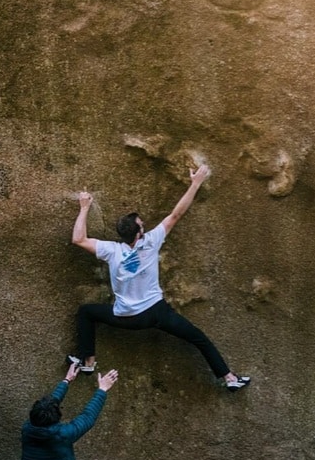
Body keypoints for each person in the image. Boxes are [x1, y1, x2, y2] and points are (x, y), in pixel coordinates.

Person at [68, 163, 250, 392]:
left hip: (127, 318)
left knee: (86, 312)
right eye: (142, 225)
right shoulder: (151, 242)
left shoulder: (111, 250)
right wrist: (195, 183)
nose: (145, 225)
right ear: (140, 234)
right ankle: (230, 378)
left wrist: (84, 207)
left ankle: (88, 362)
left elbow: (78, 239)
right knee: (198, 338)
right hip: (157, 312)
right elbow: (176, 214)